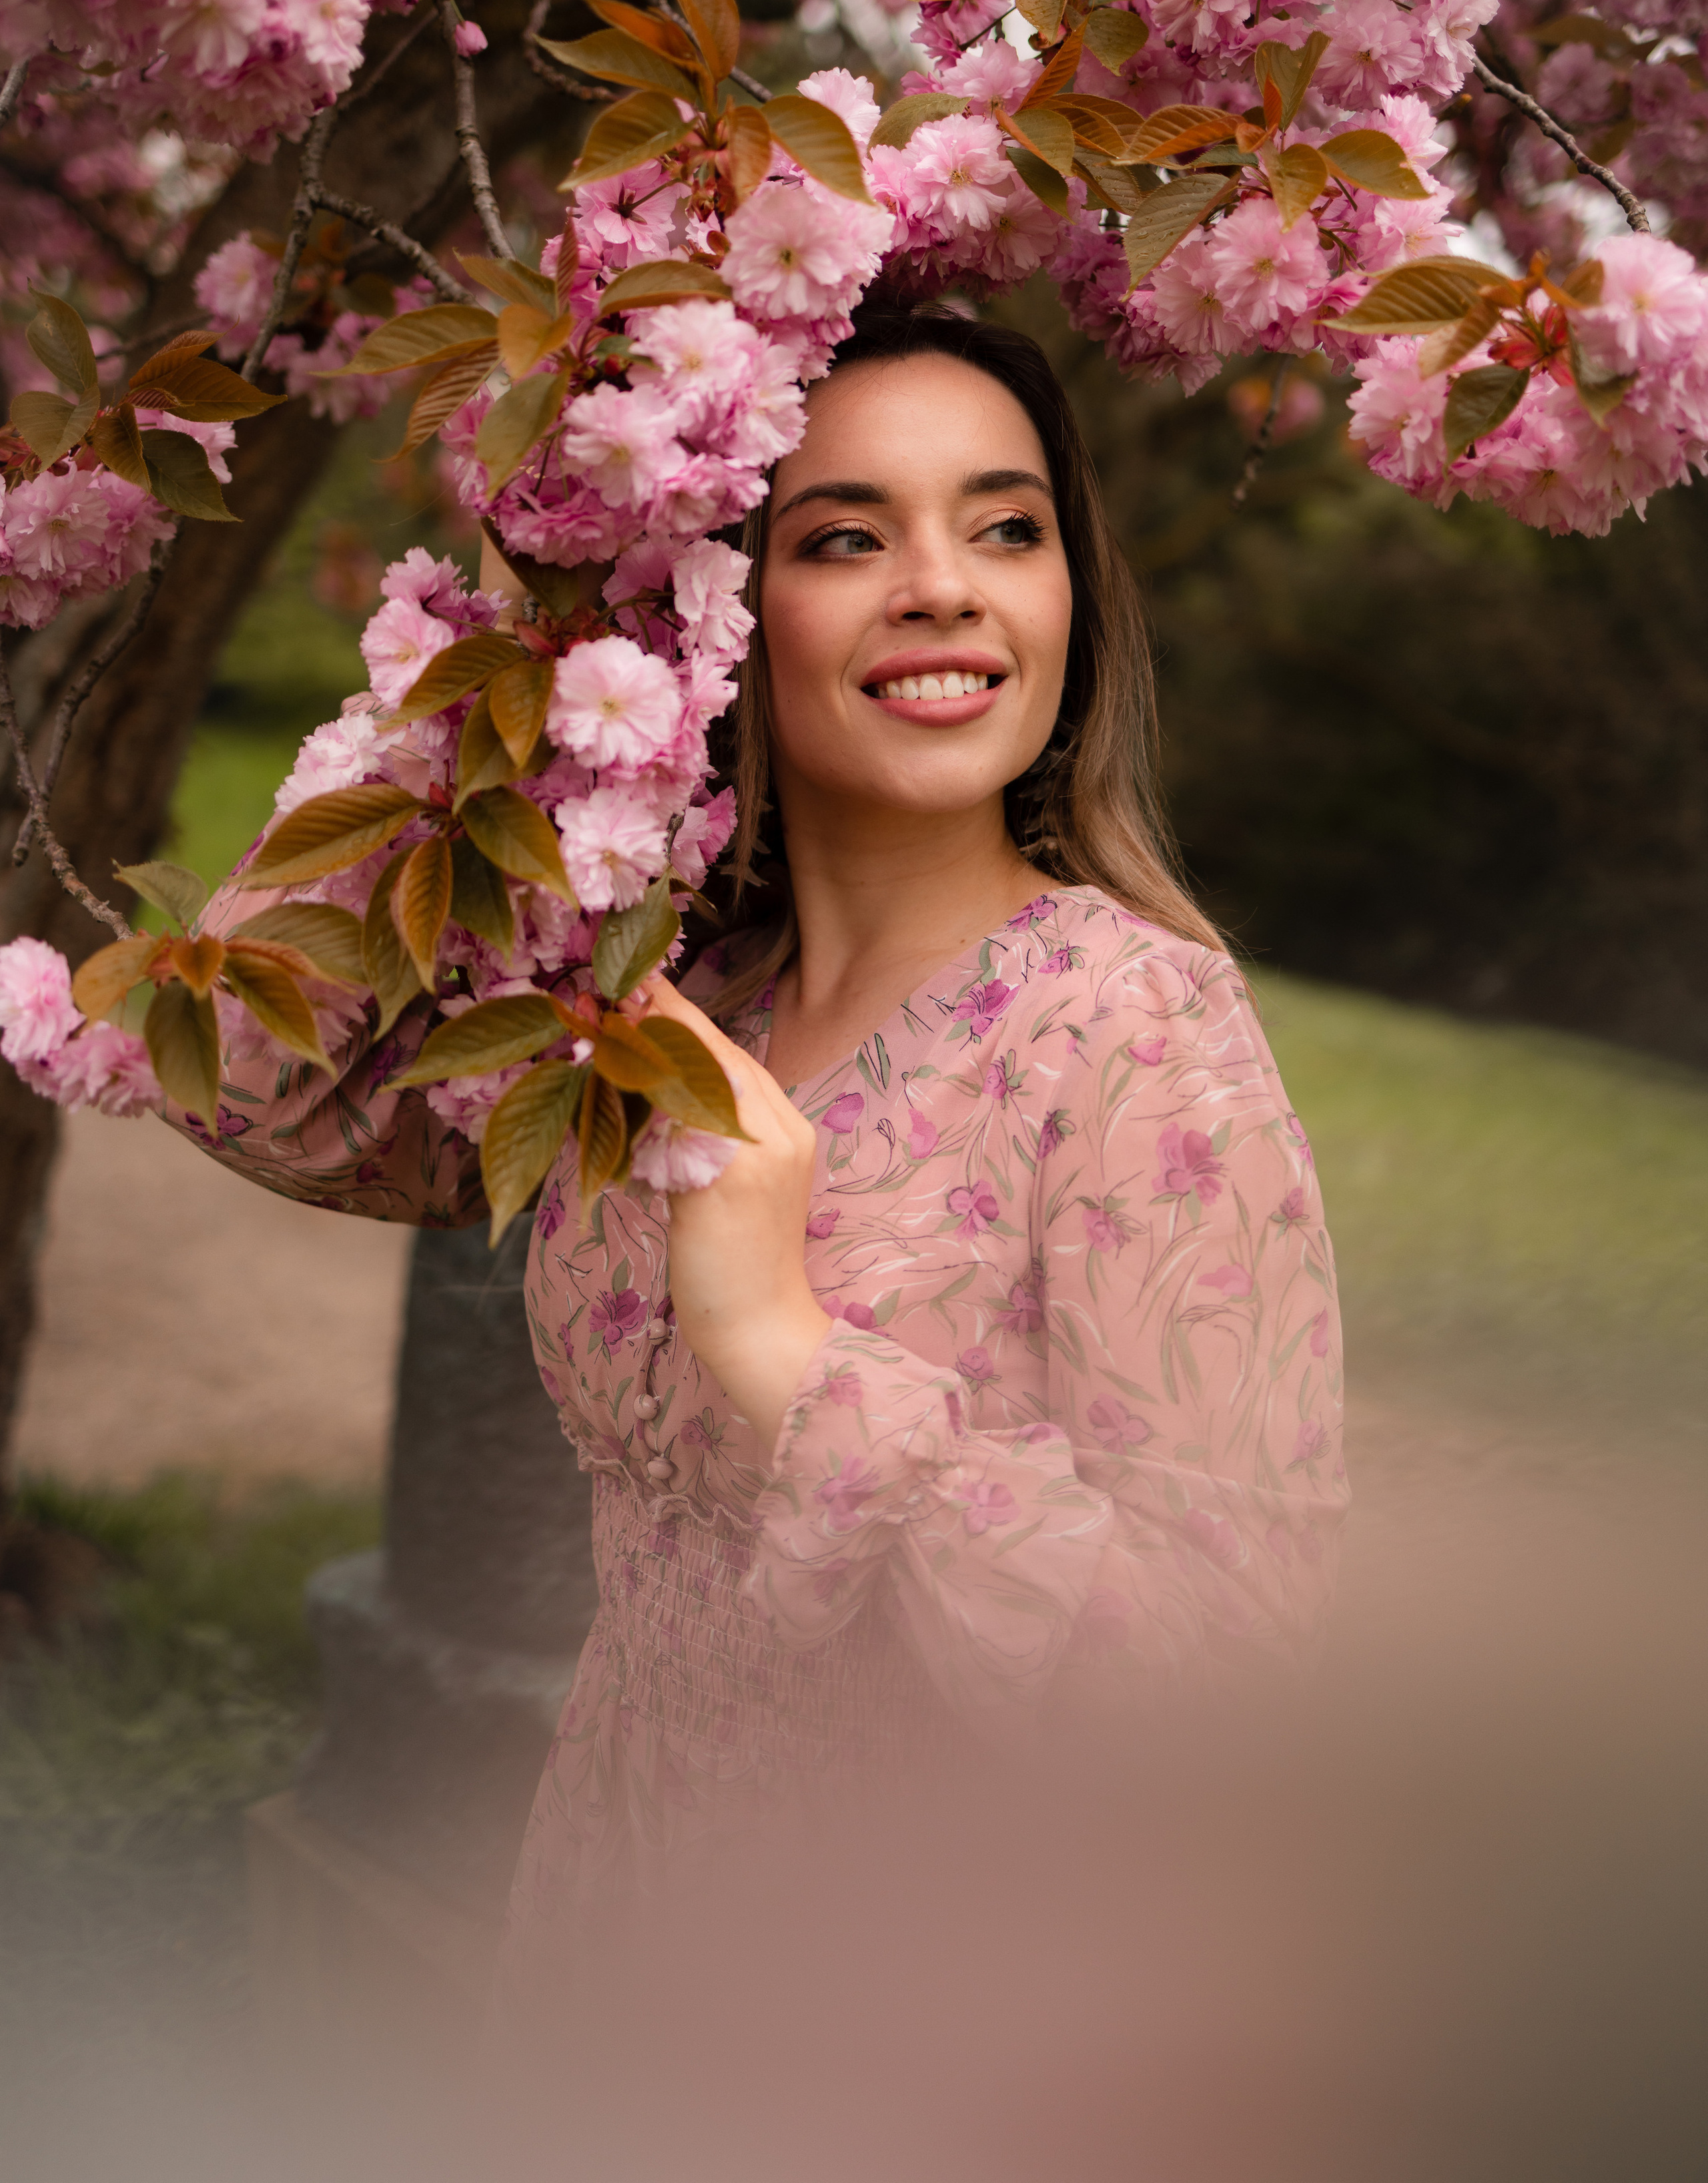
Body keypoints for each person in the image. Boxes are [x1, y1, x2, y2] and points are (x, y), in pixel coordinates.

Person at [171, 304, 1346, 1953]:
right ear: (713, 617)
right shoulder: (672, 996)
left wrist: (787, 1351)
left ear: (1069, 595)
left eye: (1005, 527)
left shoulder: (1137, 1033)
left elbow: (1226, 1696)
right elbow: (248, 1075)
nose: (942, 582)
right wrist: (535, 634)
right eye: (846, 534)